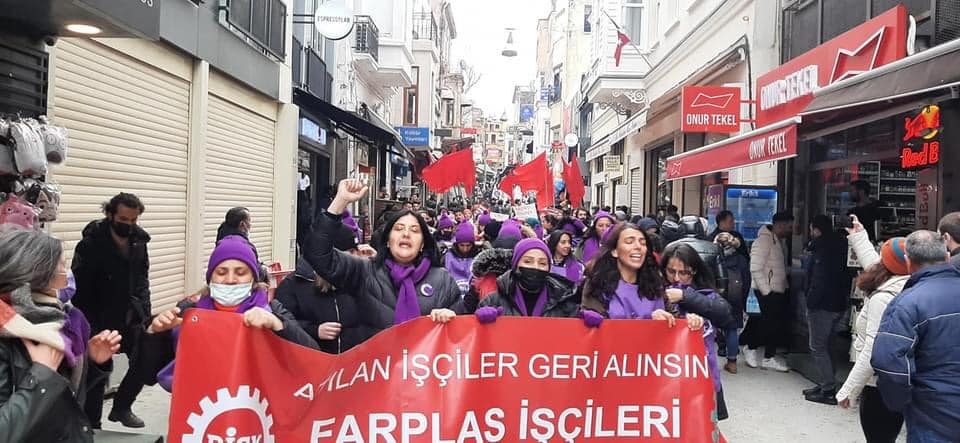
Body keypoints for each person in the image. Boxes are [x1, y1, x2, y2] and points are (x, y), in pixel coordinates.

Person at [0, 230, 123, 442]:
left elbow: (67, 397)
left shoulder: (61, 321)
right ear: (38, 273)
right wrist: (41, 374)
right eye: (62, 266)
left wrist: (92, 362)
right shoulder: (7, 332)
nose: (67, 274)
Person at [150, 235, 318, 390]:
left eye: (240, 272)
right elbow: (151, 372)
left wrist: (278, 324)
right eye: (221, 272)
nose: (230, 280)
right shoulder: (189, 311)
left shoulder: (272, 309)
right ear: (211, 278)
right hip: (202, 407)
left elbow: (313, 357)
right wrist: (156, 333)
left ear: (253, 279)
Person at [303, 178, 461, 333]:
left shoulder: (443, 280)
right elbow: (318, 254)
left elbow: (462, 335)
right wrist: (339, 202)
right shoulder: (365, 271)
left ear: (422, 244)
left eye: (414, 230)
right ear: (387, 241)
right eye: (399, 229)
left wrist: (452, 319)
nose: (406, 234)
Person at [71, 192, 151, 428]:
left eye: (133, 220)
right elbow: (80, 288)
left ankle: (122, 406)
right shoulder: (90, 245)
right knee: (98, 370)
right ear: (110, 214)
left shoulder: (139, 242)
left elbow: (142, 278)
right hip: (98, 316)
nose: (128, 225)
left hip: (130, 316)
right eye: (123, 219)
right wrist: (89, 324)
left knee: (144, 359)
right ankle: (92, 423)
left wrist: (144, 310)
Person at [872, 230, 960, 442]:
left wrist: (901, 402)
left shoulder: (906, 304)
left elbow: (889, 362)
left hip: (933, 415)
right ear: (947, 257)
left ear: (908, 262)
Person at [836, 218, 908, 443]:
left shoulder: (883, 298)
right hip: (895, 378)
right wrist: (858, 236)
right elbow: (877, 264)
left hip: (879, 382)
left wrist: (849, 390)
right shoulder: (904, 282)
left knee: (878, 436)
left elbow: (873, 349)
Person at [660, 242, 735, 420]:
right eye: (671, 271)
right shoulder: (653, 292)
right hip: (663, 376)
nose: (677, 278)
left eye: (684, 273)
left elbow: (725, 314)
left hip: (702, 375)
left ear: (694, 271)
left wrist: (685, 297)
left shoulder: (705, 294)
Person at [580, 223, 705, 330]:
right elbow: (599, 333)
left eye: (642, 243)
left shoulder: (655, 283)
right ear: (615, 251)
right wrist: (648, 321)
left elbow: (674, 320)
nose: (638, 247)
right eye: (629, 242)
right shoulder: (597, 283)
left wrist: (689, 321)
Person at [276, 222, 372, 354]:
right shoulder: (294, 284)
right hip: (312, 362)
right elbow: (282, 325)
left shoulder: (363, 279)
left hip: (358, 362)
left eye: (353, 252)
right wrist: (314, 330)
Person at [802, 215, 852, 405]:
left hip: (822, 305)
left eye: (811, 229)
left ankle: (828, 389)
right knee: (828, 344)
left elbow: (818, 280)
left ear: (816, 229)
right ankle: (825, 383)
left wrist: (810, 302)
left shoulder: (821, 250)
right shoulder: (841, 246)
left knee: (818, 346)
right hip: (838, 303)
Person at [469, 238, 581, 320]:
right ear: (516, 265)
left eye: (542, 263)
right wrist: (480, 321)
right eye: (528, 261)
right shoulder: (493, 301)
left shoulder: (563, 302)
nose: (535, 267)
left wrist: (583, 323)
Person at [741, 211, 793, 372]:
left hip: (776, 289)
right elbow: (755, 268)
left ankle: (768, 356)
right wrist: (767, 291)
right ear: (781, 225)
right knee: (763, 323)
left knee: (771, 324)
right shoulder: (764, 241)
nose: (790, 230)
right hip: (766, 290)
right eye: (789, 226)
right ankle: (752, 349)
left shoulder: (777, 241)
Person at [714, 232, 750, 374]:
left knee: (710, 326)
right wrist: (743, 298)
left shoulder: (714, 257)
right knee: (732, 330)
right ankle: (732, 362)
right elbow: (746, 281)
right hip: (735, 296)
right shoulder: (741, 259)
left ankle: (707, 362)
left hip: (717, 295)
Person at [670, 215, 727, 294]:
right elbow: (722, 279)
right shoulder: (714, 248)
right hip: (706, 295)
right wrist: (719, 298)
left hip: (677, 293)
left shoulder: (670, 247)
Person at [444, 222, 482, 297]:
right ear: (457, 244)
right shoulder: (446, 256)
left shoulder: (479, 257)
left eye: (468, 245)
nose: (465, 249)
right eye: (462, 245)